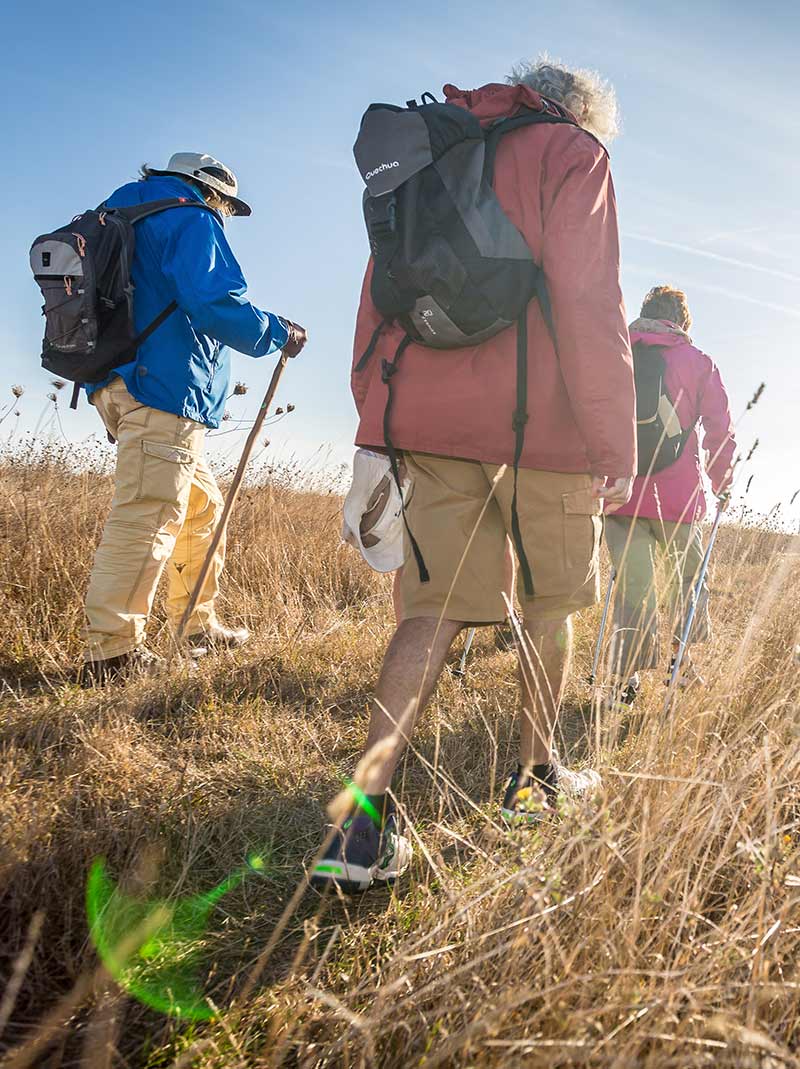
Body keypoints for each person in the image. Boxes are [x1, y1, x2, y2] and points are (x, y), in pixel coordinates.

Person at [311, 59, 637, 893]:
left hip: (426, 418)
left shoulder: (433, 149)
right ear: (584, 115)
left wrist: (378, 412)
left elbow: (377, 295)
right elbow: (590, 307)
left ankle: (359, 823)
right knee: (551, 603)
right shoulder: (572, 155)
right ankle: (535, 781)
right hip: (547, 429)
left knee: (431, 612)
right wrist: (615, 445)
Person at [79, 153, 307, 685]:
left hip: (113, 380)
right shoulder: (189, 217)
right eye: (225, 204)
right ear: (209, 192)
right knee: (148, 513)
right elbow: (213, 302)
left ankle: (196, 626)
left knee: (201, 508)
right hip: (163, 386)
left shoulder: (114, 213)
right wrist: (278, 332)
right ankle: (111, 654)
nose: (224, 214)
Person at [604, 286, 736, 704]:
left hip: (619, 494)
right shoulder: (698, 363)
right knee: (689, 581)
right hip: (678, 500)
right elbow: (718, 430)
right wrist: (723, 483)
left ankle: (624, 679)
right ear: (682, 322)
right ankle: (681, 661)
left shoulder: (614, 353)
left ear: (644, 315)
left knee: (633, 587)